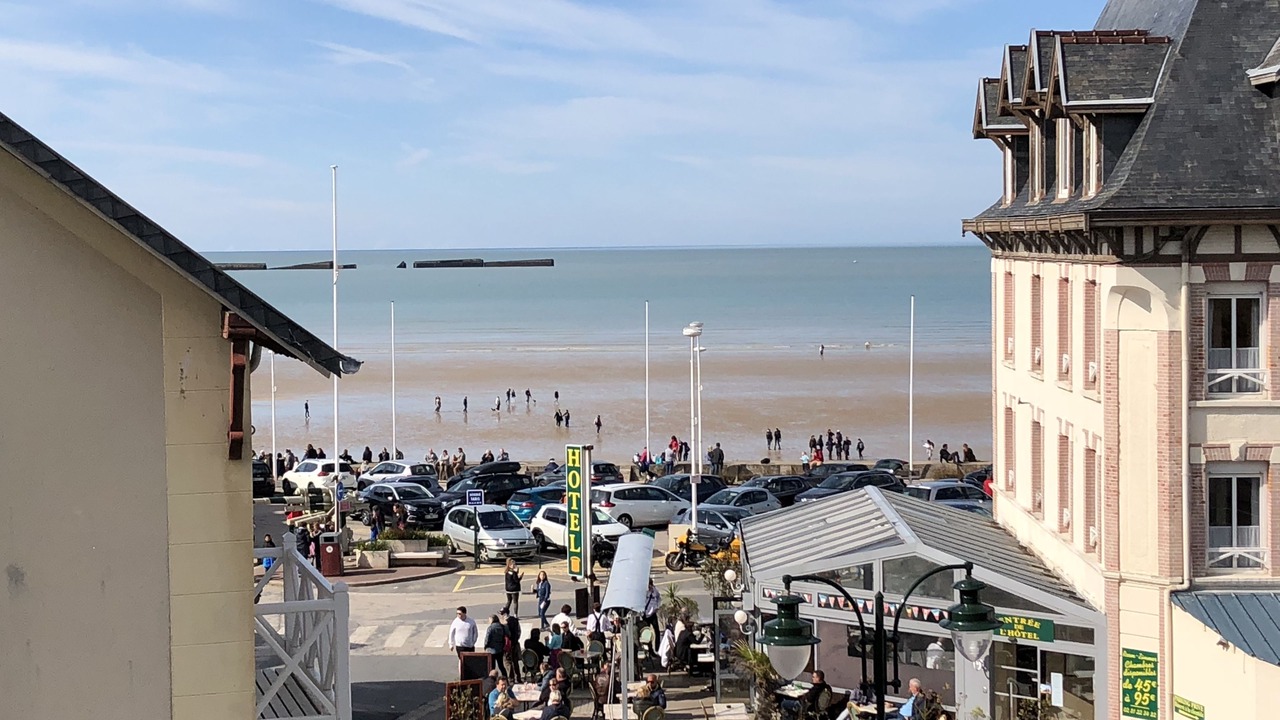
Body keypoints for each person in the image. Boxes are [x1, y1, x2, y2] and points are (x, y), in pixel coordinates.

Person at [503, 609, 523, 681]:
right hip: (515, 643)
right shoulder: (515, 620)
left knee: (508, 661)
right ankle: (518, 677)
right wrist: (516, 639)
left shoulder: (505, 623)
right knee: (515, 661)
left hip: (508, 645)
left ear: (504, 614)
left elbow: (506, 634)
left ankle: (511, 678)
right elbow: (519, 631)